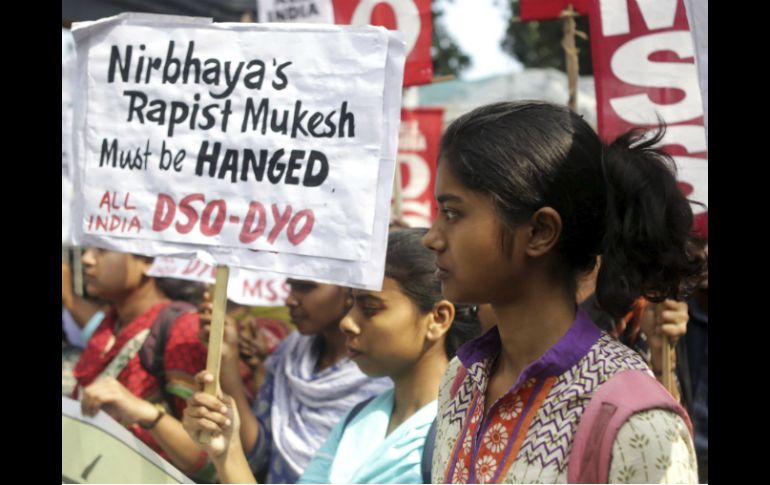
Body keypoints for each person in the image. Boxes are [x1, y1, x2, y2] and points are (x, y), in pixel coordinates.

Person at [421, 101, 707, 483]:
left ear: (540, 232)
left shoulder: (637, 424)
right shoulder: (461, 378)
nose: (431, 237)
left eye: (453, 213)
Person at [181, 228, 481, 483]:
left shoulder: (469, 434)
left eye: (371, 308)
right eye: (351, 305)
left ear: (439, 318)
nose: (347, 322)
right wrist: (227, 450)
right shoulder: (357, 420)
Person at [193, 278, 392, 483]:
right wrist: (227, 360)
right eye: (291, 286)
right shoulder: (290, 352)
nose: (290, 300)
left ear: (350, 292)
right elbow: (259, 454)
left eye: (306, 287)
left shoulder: (382, 377)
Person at [71, 248, 213, 481]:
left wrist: (145, 413)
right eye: (87, 248)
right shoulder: (110, 324)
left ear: (147, 261)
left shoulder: (183, 329)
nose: (86, 259)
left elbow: (205, 457)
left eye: (102, 250)